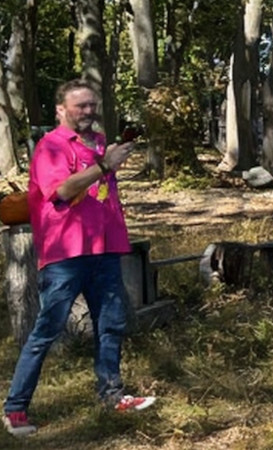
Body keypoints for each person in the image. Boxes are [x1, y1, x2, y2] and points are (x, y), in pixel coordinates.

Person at [3, 79, 156, 437]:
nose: (87, 112)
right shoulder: (50, 146)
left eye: (91, 105)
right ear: (61, 110)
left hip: (104, 248)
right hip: (66, 253)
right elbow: (63, 189)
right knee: (47, 330)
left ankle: (112, 394)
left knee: (111, 324)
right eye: (79, 106)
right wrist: (105, 165)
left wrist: (107, 159)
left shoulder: (100, 143)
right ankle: (15, 408)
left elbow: (100, 191)